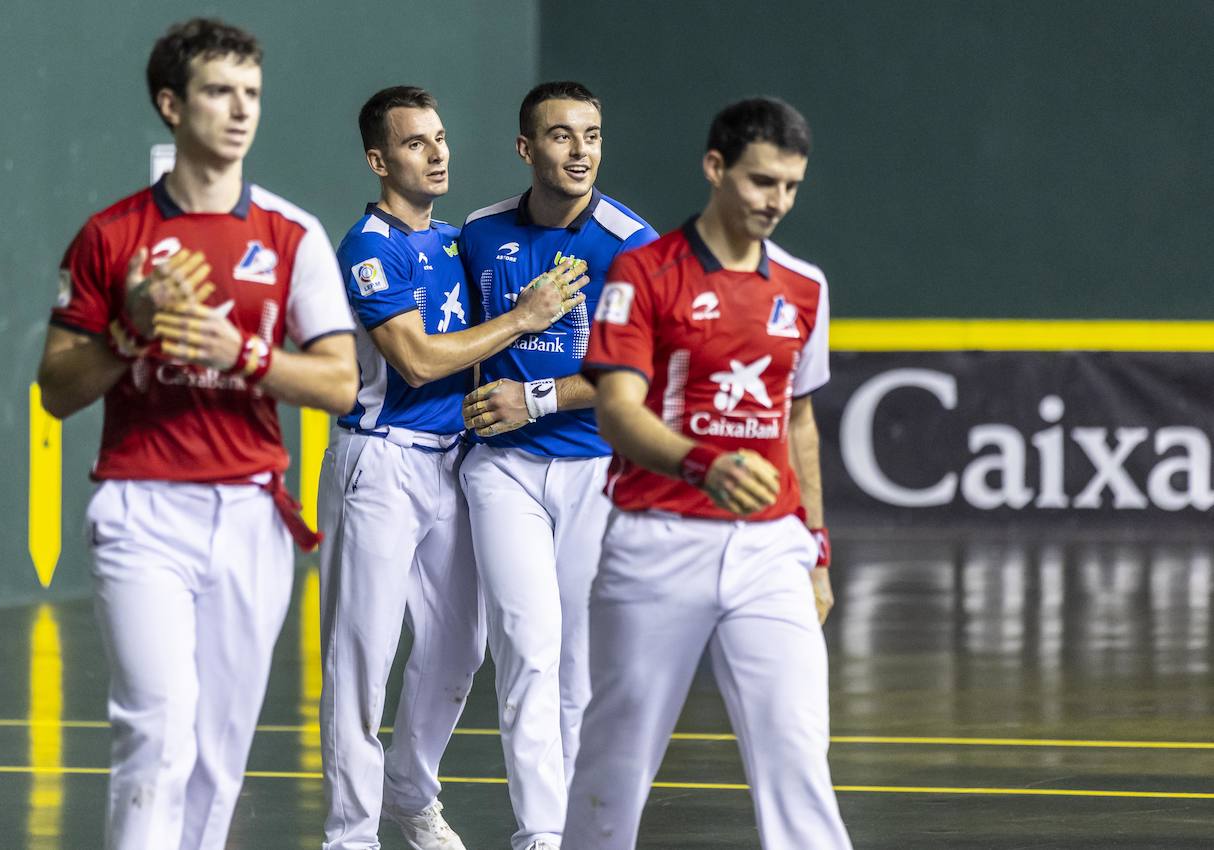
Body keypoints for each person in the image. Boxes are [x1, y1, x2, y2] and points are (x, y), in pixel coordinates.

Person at [36, 18, 358, 850]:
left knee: (218, 758)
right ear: (171, 105)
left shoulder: (292, 236)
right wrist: (130, 330)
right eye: (220, 91)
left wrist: (243, 353)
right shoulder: (113, 236)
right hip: (141, 510)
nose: (241, 109)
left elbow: (339, 381)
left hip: (251, 515)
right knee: (157, 734)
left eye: (252, 92)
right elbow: (57, 389)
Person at [561, 96, 853, 849]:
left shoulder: (805, 287)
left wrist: (816, 548)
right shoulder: (643, 272)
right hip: (656, 543)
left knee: (797, 753)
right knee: (615, 763)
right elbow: (617, 410)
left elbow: (798, 422)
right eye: (761, 182)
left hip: (771, 551)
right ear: (715, 167)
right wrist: (703, 463)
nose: (776, 202)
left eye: (790, 186)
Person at [319, 86, 588, 850]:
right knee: (361, 657)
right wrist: (523, 317)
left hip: (454, 464)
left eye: (440, 139)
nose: (437, 154)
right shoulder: (370, 248)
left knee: (460, 648)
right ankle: (351, 835)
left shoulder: (450, 243)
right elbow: (414, 358)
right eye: (415, 144)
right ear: (379, 160)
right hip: (377, 463)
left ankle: (408, 791)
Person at [456, 81, 658, 850]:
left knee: (577, 662)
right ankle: (540, 833)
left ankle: (582, 831)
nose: (581, 153)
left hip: (594, 470)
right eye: (563, 137)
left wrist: (533, 396)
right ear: (526, 148)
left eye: (593, 136)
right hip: (500, 471)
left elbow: (637, 372)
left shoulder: (631, 244)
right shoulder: (477, 234)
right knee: (525, 644)